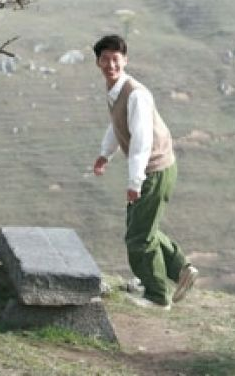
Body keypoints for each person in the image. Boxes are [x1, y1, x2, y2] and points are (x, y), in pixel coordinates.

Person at [91, 34, 198, 309]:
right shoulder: (115, 91)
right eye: (105, 59)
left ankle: (157, 295)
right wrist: (105, 154)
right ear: (97, 62)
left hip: (154, 169)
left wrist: (135, 181)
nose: (110, 64)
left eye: (115, 59)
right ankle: (180, 269)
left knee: (139, 237)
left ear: (125, 60)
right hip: (157, 168)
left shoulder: (135, 94)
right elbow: (117, 125)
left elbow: (141, 140)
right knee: (142, 227)